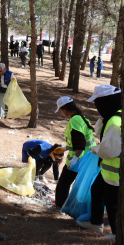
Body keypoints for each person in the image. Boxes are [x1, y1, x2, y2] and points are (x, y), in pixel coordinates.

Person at [76, 85, 121, 239]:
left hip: (115, 172)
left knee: (111, 202)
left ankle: (117, 234)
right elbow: (98, 131)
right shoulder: (111, 117)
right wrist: (103, 117)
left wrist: (96, 150)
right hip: (107, 170)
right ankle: (96, 223)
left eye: (97, 103)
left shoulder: (115, 122)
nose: (95, 106)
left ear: (106, 102)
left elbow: (109, 151)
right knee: (96, 190)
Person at [49, 96, 95, 212]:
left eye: (60, 109)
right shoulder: (82, 118)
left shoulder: (74, 121)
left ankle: (60, 206)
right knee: (78, 185)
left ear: (64, 109)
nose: (60, 112)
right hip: (87, 158)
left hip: (77, 161)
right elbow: (80, 141)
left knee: (63, 184)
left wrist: (74, 159)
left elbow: (80, 144)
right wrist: (64, 148)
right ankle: (71, 206)